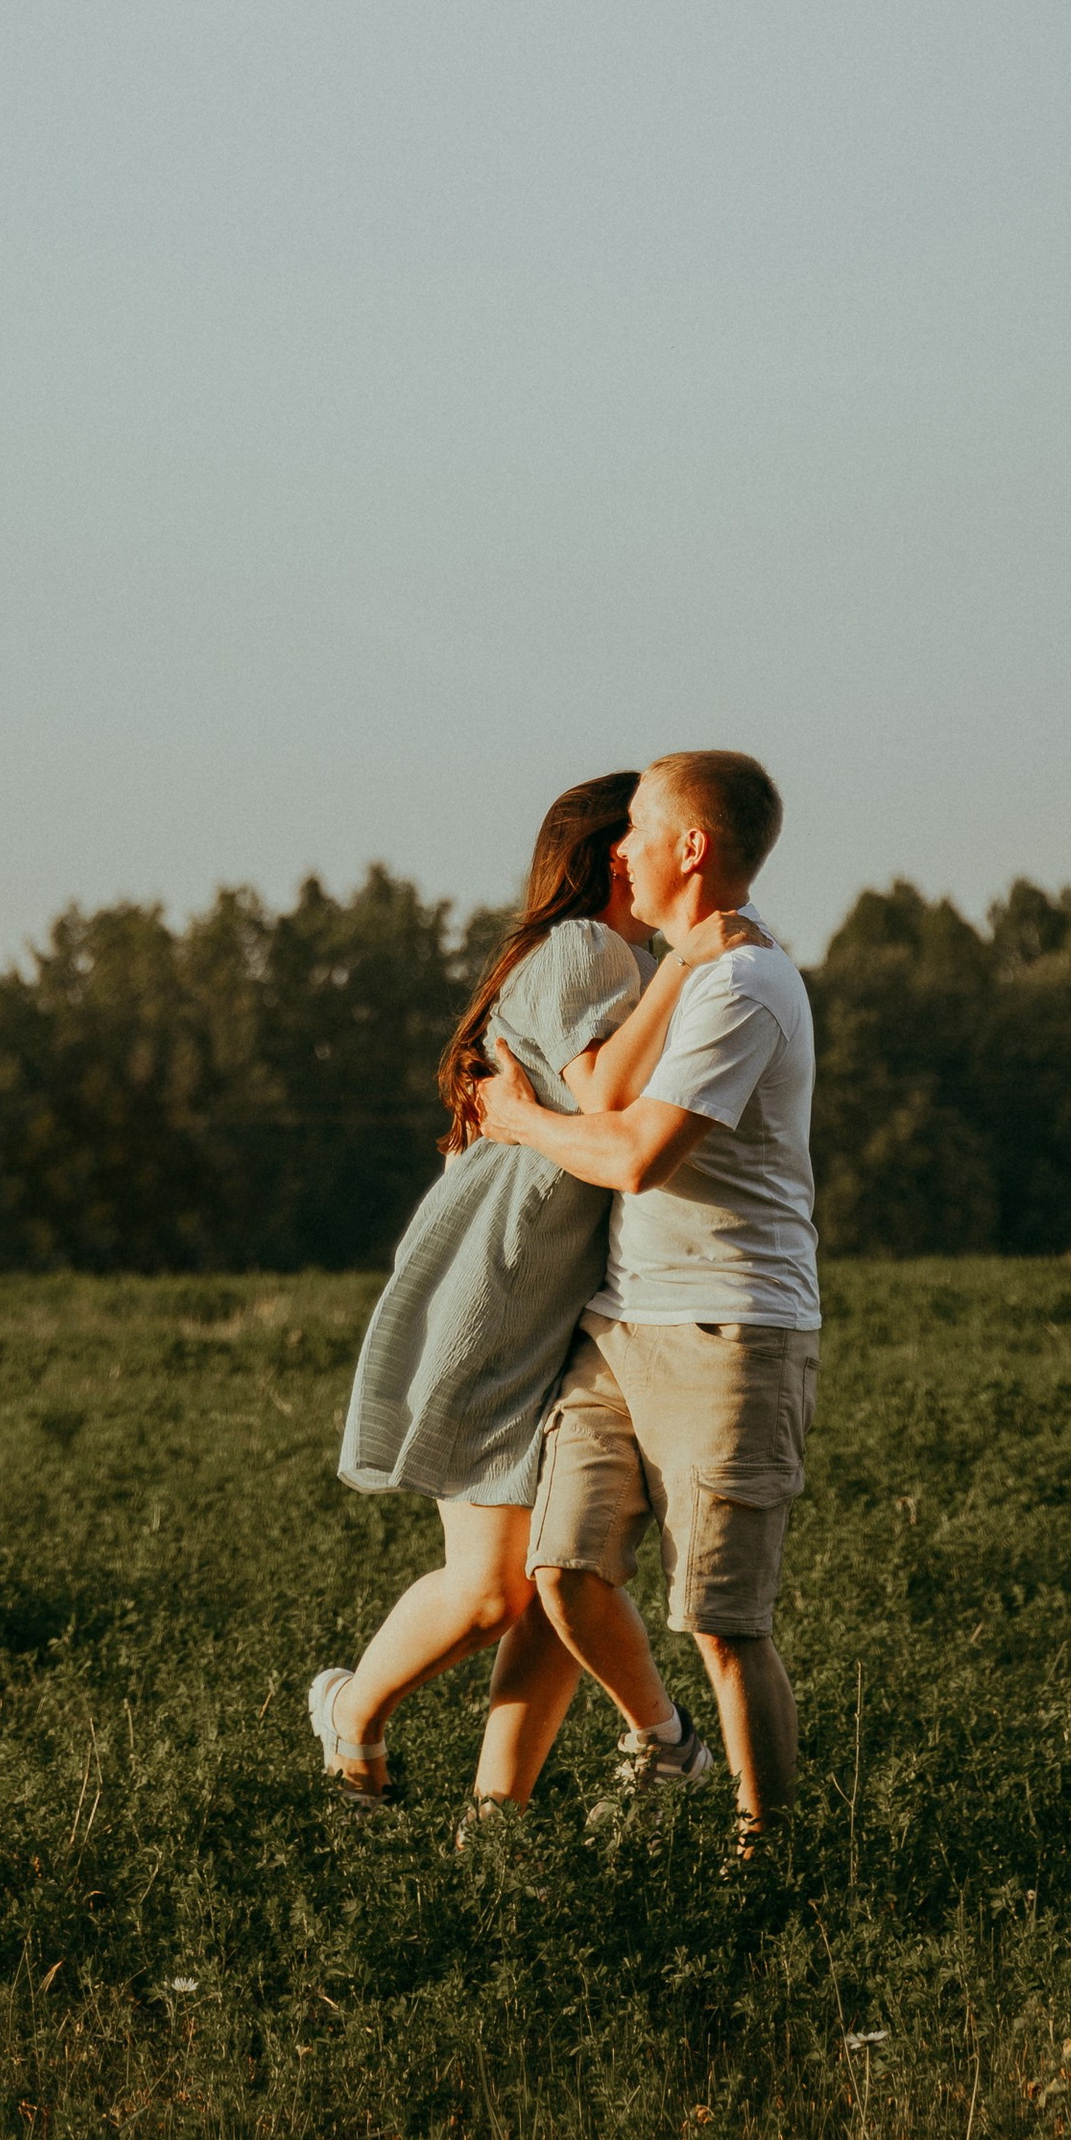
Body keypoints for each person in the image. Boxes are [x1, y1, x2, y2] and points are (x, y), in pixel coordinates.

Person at [309, 771, 756, 1829]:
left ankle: (498, 1825)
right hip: (499, 1296)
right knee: (491, 1593)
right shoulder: (583, 950)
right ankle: (352, 1712)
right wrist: (686, 962)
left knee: (560, 1572)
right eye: (639, 832)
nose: (652, 850)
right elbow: (604, 1092)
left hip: (572, 1305)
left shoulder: (622, 959)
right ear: (610, 853)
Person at [475, 750, 816, 1850]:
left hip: (731, 1330)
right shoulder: (688, 970)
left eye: (637, 830)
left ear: (690, 847)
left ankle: (768, 1862)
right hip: (622, 1325)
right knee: (562, 1569)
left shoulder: (745, 984)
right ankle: (665, 1745)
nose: (617, 853)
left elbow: (632, 1156)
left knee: (722, 1624)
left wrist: (516, 1121)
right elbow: (608, 1093)